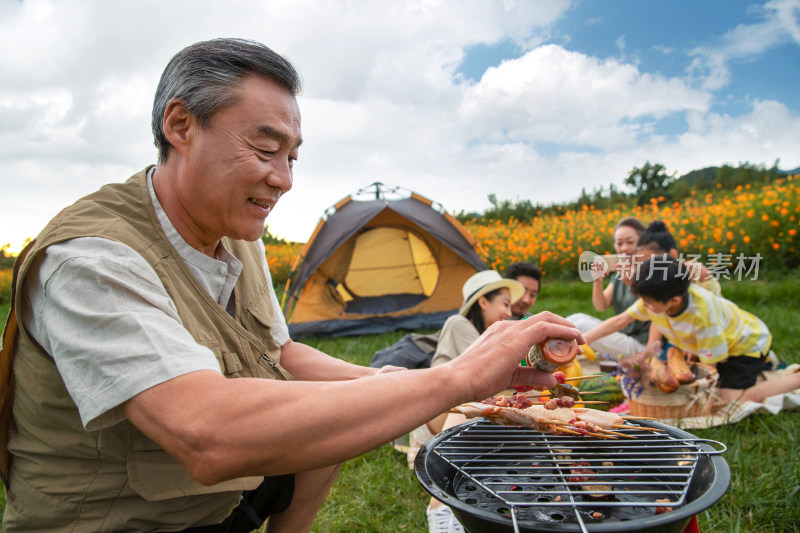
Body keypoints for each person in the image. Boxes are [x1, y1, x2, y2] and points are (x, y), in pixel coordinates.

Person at [0, 38, 585, 533]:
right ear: (179, 125)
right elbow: (208, 437)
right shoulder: (93, 258)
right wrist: (457, 376)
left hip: (214, 499)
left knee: (349, 414)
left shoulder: (235, 229)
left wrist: (421, 386)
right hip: (123, 518)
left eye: (293, 157)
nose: (281, 180)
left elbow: (278, 355)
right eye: (263, 149)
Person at [582, 256, 800, 403]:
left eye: (647, 304)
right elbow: (620, 321)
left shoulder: (703, 318)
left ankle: (792, 377)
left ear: (674, 300)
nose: (644, 307)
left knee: (726, 396)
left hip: (746, 345)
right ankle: (766, 362)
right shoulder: (656, 299)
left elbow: (708, 369)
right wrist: (582, 339)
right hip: (715, 343)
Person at [412, 270, 523, 533]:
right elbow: (487, 373)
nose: (509, 313)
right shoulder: (458, 323)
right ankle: (439, 511)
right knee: (474, 397)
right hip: (436, 418)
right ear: (483, 301)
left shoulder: (485, 336)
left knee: (488, 405)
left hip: (455, 421)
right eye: (505, 304)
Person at [567, 217, 650, 357]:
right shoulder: (620, 273)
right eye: (619, 243)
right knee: (575, 318)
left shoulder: (651, 272)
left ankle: (558, 355)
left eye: (630, 242)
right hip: (624, 335)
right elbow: (601, 305)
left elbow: (650, 305)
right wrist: (598, 282)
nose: (624, 248)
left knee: (579, 327)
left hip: (643, 345)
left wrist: (633, 284)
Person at [636, 220, 722, 296]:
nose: (646, 269)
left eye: (652, 263)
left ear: (673, 254)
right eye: (642, 264)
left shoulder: (694, 271)